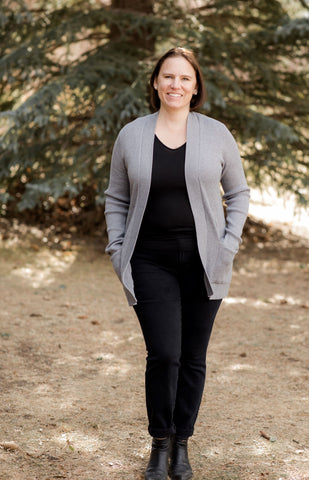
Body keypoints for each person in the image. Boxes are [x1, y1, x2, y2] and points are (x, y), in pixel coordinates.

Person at [104, 47, 250, 480]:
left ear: (196, 86)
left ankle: (182, 443)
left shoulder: (217, 133)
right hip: (149, 260)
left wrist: (229, 245)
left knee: (192, 357)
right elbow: (116, 197)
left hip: (206, 261)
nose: (175, 85)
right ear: (155, 83)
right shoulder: (131, 135)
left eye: (185, 78)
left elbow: (239, 194)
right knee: (164, 354)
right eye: (168, 77)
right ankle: (159, 442)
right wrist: (117, 248)